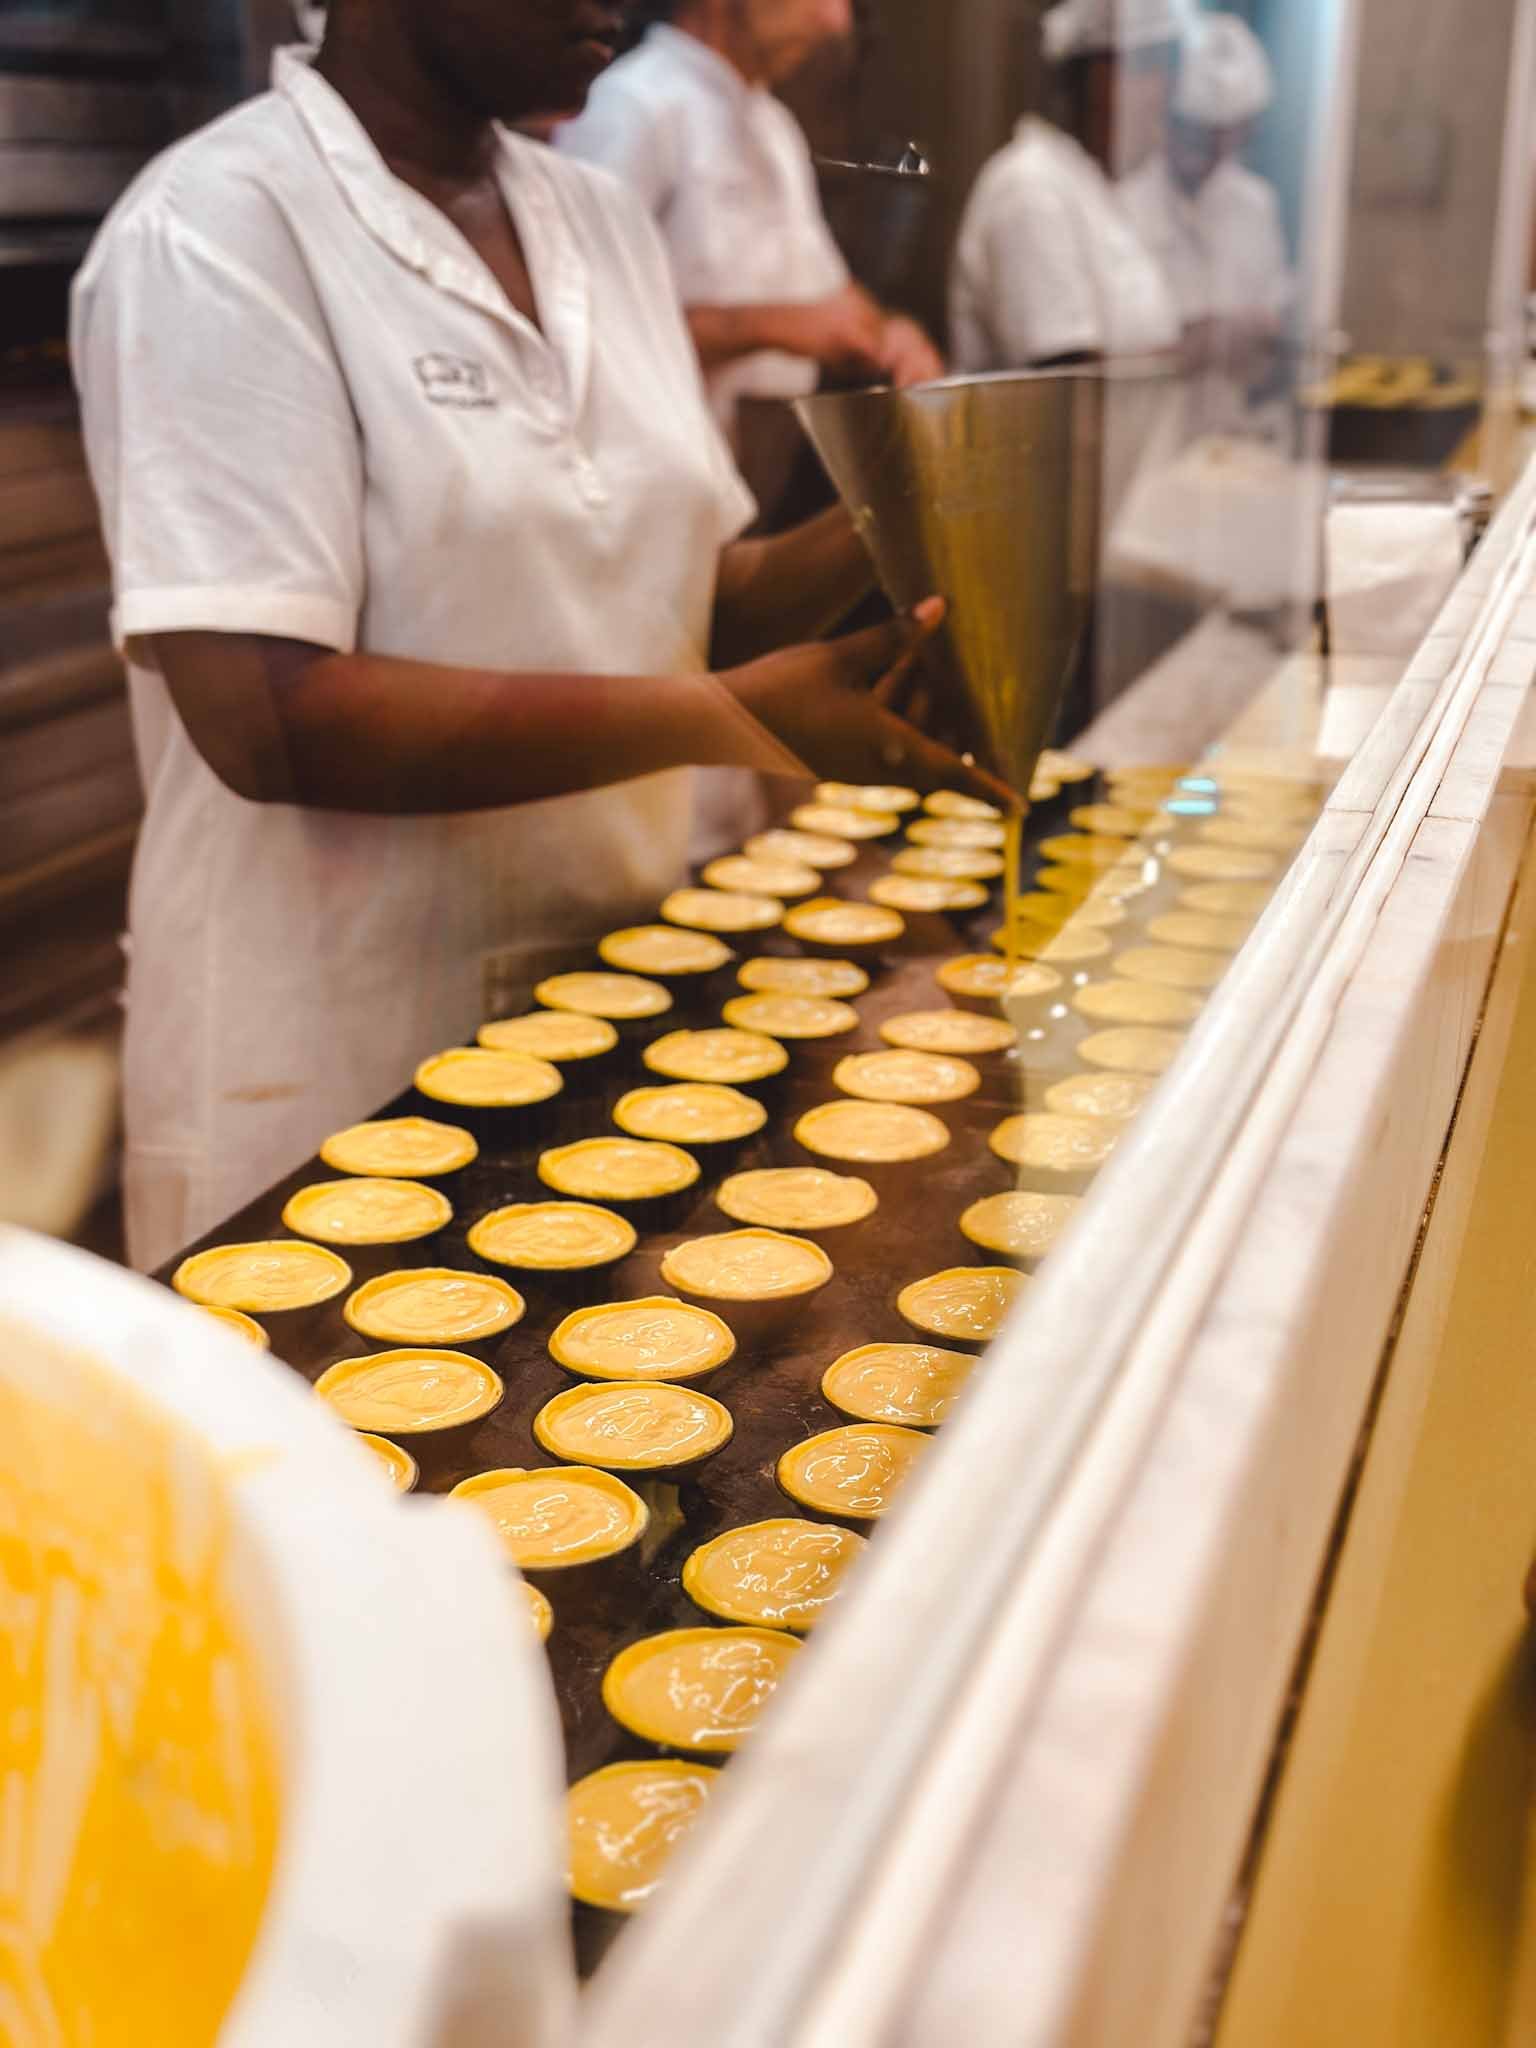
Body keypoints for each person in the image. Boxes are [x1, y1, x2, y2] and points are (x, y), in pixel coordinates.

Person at [71, 0, 991, 1272]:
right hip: (333, 1075)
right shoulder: (221, 228)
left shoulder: (597, 221)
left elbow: (669, 594)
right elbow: (269, 715)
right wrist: (742, 718)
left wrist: (906, 512)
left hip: (610, 1011)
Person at [555, 0, 942, 444]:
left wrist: (889, 331)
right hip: (658, 460)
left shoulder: (774, 126)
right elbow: (580, 327)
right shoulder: (631, 106)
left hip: (771, 455)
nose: (836, 21)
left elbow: (825, 294)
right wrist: (770, 327)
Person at [948, 0, 1183, 373]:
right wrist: (1198, 357)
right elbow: (1067, 381)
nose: (1161, 95)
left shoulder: (1098, 188)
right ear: (1090, 80)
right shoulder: (1030, 187)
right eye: (1144, 69)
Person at [1118, 11, 1292, 435]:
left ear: (1242, 132)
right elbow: (1112, 360)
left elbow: (1275, 335)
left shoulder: (1256, 206)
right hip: (1144, 444)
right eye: (1189, 127)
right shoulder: (1121, 206)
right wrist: (1204, 339)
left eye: (1218, 133)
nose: (1201, 146)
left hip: (1233, 440)